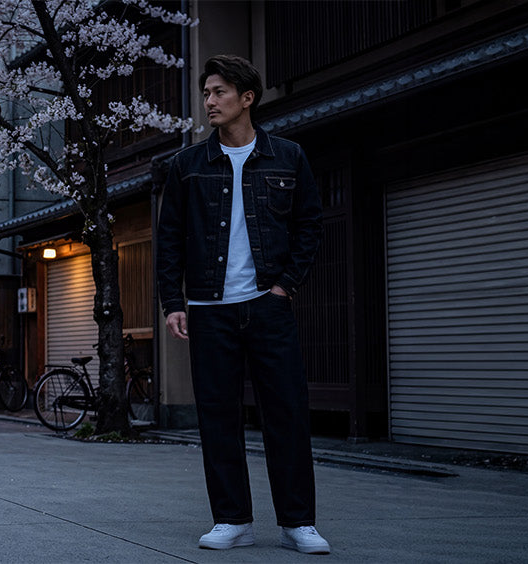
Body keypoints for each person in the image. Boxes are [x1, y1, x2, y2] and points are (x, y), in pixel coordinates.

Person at [155, 54, 328, 555]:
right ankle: (232, 519)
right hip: (208, 309)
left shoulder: (288, 157)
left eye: (218, 92)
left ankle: (298, 523)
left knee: (288, 414)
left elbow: (309, 226)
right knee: (217, 416)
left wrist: (284, 287)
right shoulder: (187, 165)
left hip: (268, 306)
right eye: (206, 93)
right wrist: (173, 301)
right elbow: (170, 240)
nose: (208, 102)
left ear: (246, 97)